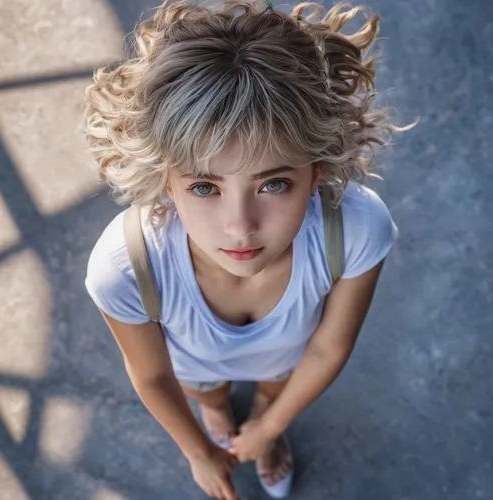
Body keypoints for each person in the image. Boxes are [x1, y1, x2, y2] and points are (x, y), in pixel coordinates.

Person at [83, 0, 406, 498]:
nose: (240, 228)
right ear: (167, 183)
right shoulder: (126, 269)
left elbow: (326, 348)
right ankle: (217, 414)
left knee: (273, 390)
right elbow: (152, 376)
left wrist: (270, 425)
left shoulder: (357, 230)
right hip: (193, 370)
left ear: (315, 173)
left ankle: (259, 423)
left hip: (286, 364)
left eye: (274, 184)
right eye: (205, 188)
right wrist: (197, 451)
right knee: (206, 395)